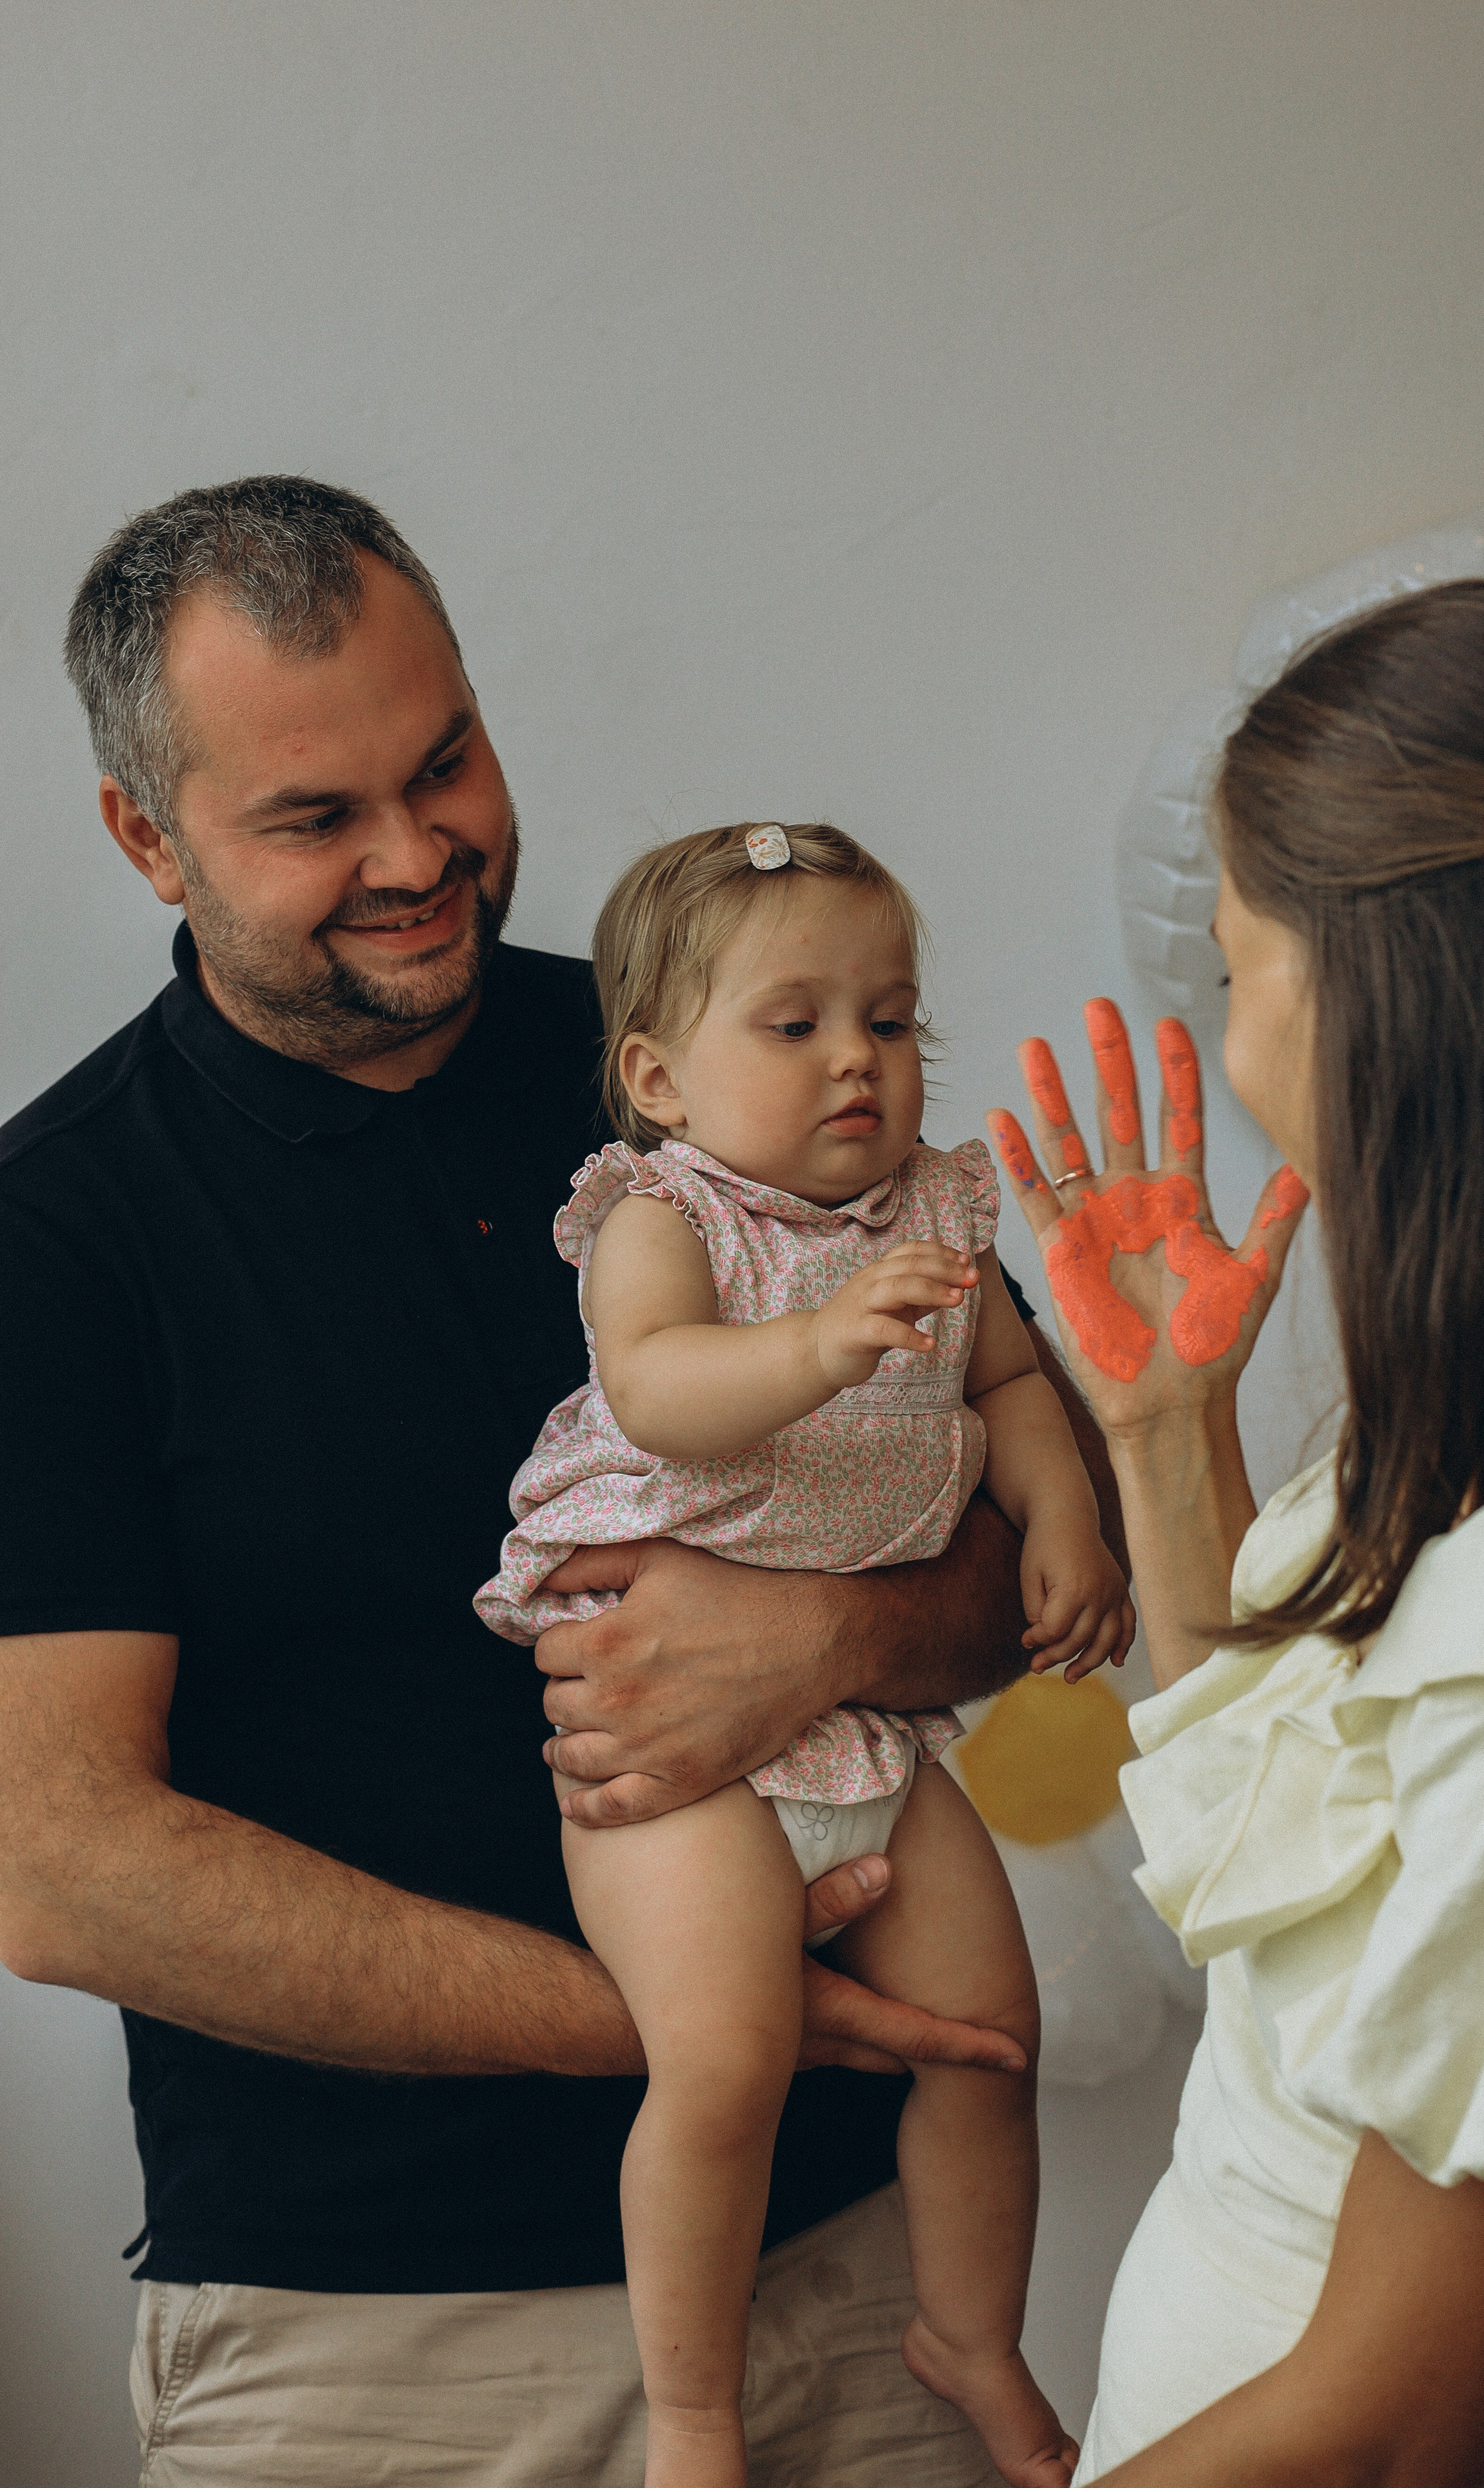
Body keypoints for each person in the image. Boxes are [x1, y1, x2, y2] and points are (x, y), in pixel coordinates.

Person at [0, 476, 1125, 2487]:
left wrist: (826, 1634)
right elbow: (55, 1858)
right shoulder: (59, 1241)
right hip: (373, 2341)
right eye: (315, 817)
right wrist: (706, 2023)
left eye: (446, 765)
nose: (419, 854)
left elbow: (1032, 1533)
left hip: (869, 2272)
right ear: (146, 839)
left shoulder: (716, 1061)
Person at [988, 577, 1484, 2485]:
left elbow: (1391, 2423)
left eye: (1244, 960)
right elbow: (1284, 1910)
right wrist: (1167, 1436)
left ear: (1389, 1002)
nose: (1233, 1036)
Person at [477, 821, 1131, 2488]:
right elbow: (656, 1388)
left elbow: (1009, 1395)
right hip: (674, 1752)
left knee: (991, 2027)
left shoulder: (940, 1211)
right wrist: (818, 1345)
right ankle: (694, 2417)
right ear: (661, 1077)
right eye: (797, 1025)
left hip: (860, 1729)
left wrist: (1056, 1519)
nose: (860, 1059)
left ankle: (969, 2338)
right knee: (724, 2055)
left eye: (893, 1020)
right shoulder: (661, 1215)